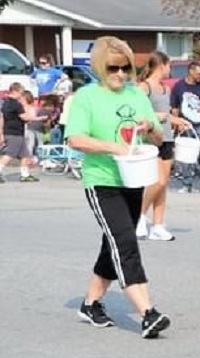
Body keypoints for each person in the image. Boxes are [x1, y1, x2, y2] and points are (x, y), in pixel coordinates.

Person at [64, 36, 171, 338]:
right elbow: (75, 138)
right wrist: (114, 147)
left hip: (133, 179)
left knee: (112, 243)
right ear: (100, 66)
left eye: (126, 68)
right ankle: (147, 313)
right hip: (102, 181)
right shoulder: (87, 97)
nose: (121, 74)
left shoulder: (137, 95)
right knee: (124, 240)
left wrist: (150, 128)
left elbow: (160, 138)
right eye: (114, 68)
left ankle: (91, 303)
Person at [136, 51, 181, 242]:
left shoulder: (166, 89)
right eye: (169, 65)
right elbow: (138, 112)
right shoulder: (144, 87)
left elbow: (167, 114)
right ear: (161, 65)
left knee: (163, 186)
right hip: (150, 138)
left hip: (167, 137)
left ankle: (158, 224)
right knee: (158, 181)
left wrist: (177, 120)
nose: (170, 70)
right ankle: (138, 215)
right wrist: (157, 117)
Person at [170, 61, 200, 194]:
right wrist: (177, 123)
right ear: (191, 71)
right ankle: (187, 183)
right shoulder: (179, 86)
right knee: (187, 155)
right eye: (199, 73)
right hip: (185, 124)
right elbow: (174, 106)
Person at [0, 82, 42, 183]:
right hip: (15, 132)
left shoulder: (5, 103)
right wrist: (37, 118)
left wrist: (1, 131)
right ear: (15, 91)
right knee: (10, 154)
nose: (21, 95)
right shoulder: (16, 104)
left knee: (25, 154)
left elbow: (2, 117)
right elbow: (24, 117)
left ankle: (25, 174)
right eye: (21, 92)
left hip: (10, 130)